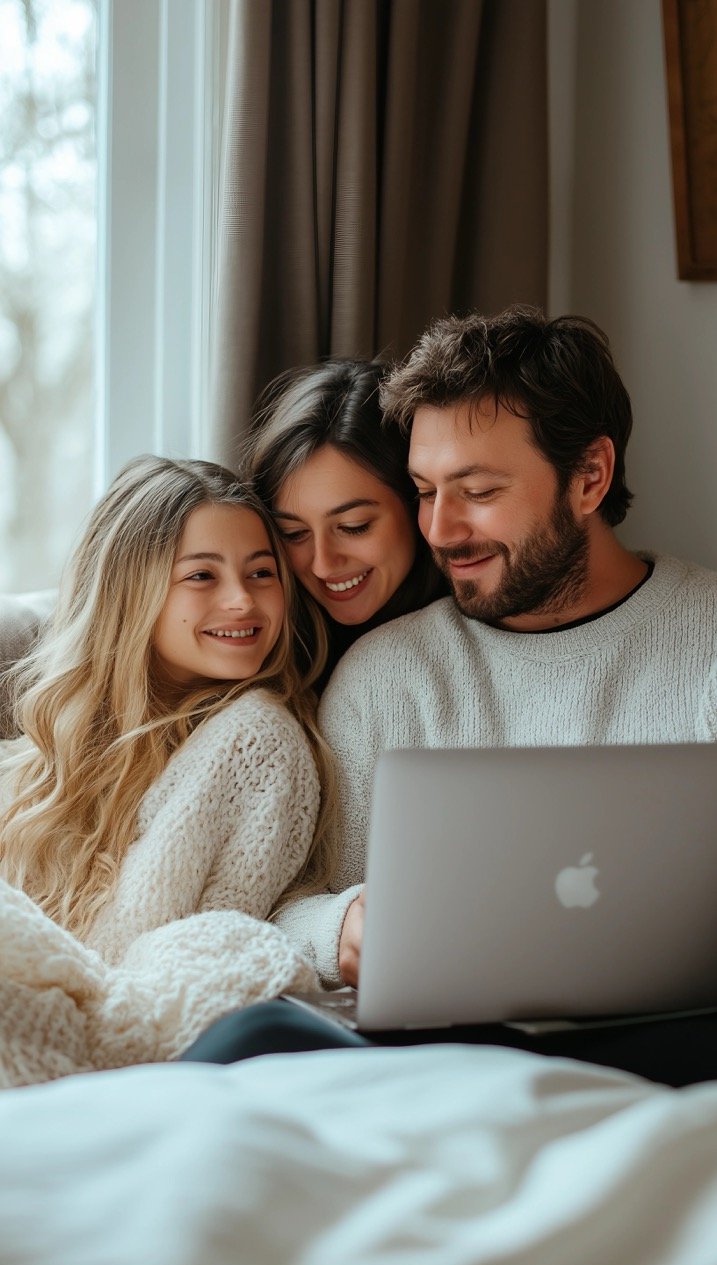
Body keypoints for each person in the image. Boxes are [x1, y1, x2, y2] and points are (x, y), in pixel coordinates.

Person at [183, 306, 717, 1086]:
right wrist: (340, 929)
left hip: (673, 1037)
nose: (439, 529)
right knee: (251, 1038)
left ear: (589, 477)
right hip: (443, 1052)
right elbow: (292, 901)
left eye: (476, 490)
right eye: (425, 491)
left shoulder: (702, 643)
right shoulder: (388, 675)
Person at [0, 454, 337, 1086]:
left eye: (261, 572)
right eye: (203, 576)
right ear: (132, 592)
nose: (242, 600)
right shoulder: (58, 748)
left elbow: (162, 960)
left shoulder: (256, 741)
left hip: (121, 1057)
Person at [241, 359, 446, 682]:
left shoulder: (468, 642)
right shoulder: (262, 644)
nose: (323, 565)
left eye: (354, 527)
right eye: (293, 533)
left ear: (417, 500)